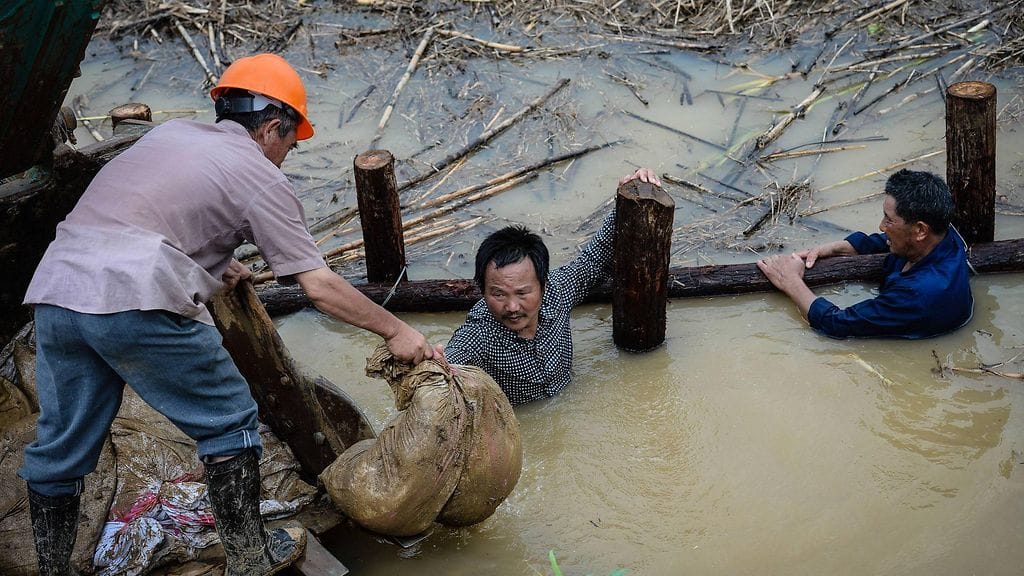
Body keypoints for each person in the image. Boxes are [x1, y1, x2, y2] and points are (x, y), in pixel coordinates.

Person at [19, 53, 435, 576]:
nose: (284, 157)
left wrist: (215, 261)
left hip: (58, 288)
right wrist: (396, 330)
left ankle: (53, 569)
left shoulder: (169, 135)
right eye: (290, 144)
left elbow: (152, 213)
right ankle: (249, 557)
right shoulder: (259, 174)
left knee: (61, 446)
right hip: (137, 297)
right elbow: (320, 286)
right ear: (273, 127)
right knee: (231, 421)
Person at [444, 168, 662, 405]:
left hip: (571, 401)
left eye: (522, 293)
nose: (512, 306)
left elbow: (593, 260)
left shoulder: (557, 292)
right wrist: (431, 362)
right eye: (498, 294)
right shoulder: (478, 335)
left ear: (543, 286)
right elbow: (447, 367)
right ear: (483, 291)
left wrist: (627, 198)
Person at [756, 169, 973, 339]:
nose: (881, 226)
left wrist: (791, 282)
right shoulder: (944, 233)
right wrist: (844, 246)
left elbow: (836, 324)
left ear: (920, 230)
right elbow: (888, 241)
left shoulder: (918, 294)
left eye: (889, 220)